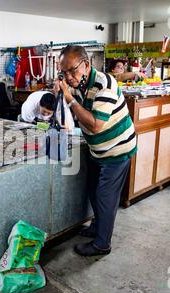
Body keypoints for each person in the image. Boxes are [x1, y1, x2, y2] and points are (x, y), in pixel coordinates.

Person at [57, 46, 137, 257]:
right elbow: (70, 115)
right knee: (92, 188)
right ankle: (96, 227)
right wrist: (64, 96)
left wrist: (70, 99)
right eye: (63, 72)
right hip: (98, 150)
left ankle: (102, 244)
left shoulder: (105, 84)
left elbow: (95, 125)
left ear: (86, 64)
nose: (68, 77)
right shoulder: (76, 84)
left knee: (105, 195)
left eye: (72, 71)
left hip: (118, 148)